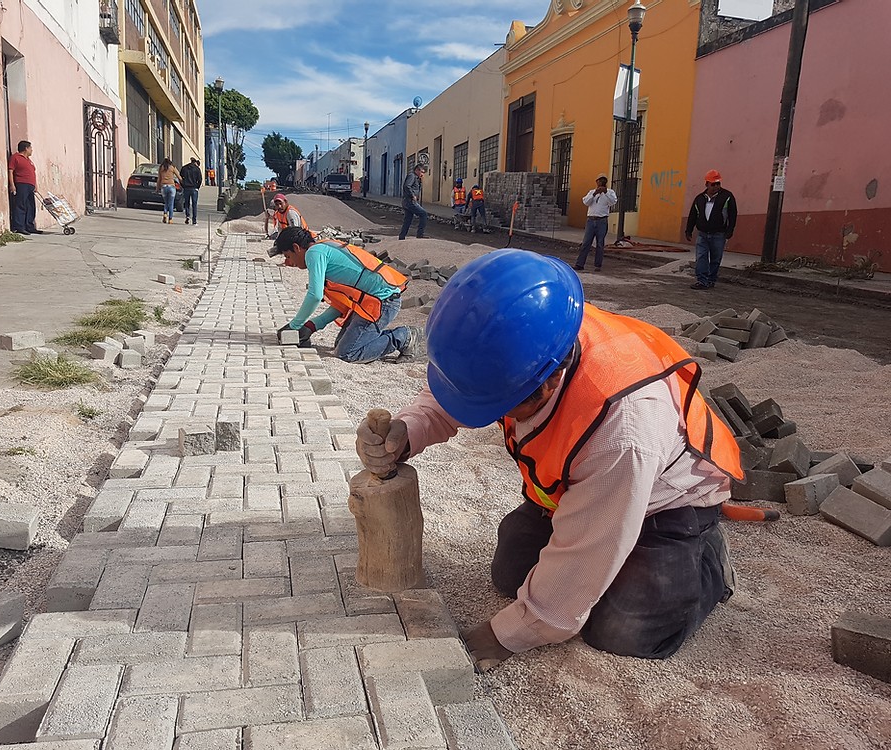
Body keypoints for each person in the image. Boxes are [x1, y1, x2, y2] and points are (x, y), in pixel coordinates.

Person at [355, 249, 743, 671]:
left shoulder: (622, 426)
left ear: (550, 377)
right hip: (576, 488)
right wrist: (408, 431)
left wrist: (507, 635)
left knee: (622, 631)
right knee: (511, 573)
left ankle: (708, 566)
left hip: (666, 502)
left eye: (502, 403)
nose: (493, 412)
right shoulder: (527, 332)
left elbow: (588, 549)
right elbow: (465, 388)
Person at [269, 226, 422, 363]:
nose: (289, 262)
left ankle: (405, 337)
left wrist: (294, 326)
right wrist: (311, 326)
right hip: (371, 302)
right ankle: (380, 337)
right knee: (341, 346)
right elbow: (342, 305)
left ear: (296, 248)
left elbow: (315, 295)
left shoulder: (313, 253)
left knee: (347, 353)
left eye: (288, 256)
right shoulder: (323, 248)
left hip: (382, 302)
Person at [686, 170, 738, 290]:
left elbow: (732, 214)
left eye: (718, 184)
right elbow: (693, 215)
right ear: (707, 184)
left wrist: (730, 230)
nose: (716, 187)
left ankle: (711, 280)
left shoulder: (727, 197)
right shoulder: (699, 199)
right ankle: (702, 281)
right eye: (713, 184)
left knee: (715, 258)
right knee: (701, 257)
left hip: (719, 234)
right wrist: (688, 230)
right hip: (702, 234)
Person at [575, 174, 617, 271]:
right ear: (596, 182)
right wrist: (594, 194)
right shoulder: (591, 192)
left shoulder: (610, 192)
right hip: (591, 220)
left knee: (600, 243)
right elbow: (586, 202)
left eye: (603, 181)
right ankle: (580, 264)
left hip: (601, 221)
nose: (601, 182)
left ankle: (598, 265)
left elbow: (613, 202)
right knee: (586, 243)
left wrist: (605, 193)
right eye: (599, 180)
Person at [8, 140, 40, 235]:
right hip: (21, 184)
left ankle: (29, 226)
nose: (32, 150)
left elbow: (33, 173)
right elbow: (11, 171)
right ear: (26, 148)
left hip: (30, 185)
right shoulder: (15, 157)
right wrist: (12, 185)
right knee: (21, 205)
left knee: (31, 206)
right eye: (30, 148)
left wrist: (35, 185)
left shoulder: (29, 160)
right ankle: (19, 226)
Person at [398, 164, 428, 240]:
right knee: (423, 214)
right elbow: (407, 186)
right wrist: (412, 195)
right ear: (417, 170)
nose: (422, 174)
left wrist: (420, 181)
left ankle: (402, 236)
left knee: (408, 219)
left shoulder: (416, 178)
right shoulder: (412, 176)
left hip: (407, 201)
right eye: (422, 172)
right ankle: (420, 234)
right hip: (410, 201)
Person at [157, 158, 181, 224]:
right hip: (171, 187)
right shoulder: (172, 167)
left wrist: (157, 188)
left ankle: (165, 214)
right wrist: (182, 182)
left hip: (164, 187)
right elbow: (179, 176)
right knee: (171, 203)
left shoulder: (161, 168)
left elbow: (159, 179)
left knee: (166, 203)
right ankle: (170, 219)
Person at [180, 157, 203, 225]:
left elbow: (180, 177)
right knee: (194, 204)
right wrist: (197, 187)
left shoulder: (184, 168)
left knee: (186, 203)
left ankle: (187, 216)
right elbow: (200, 179)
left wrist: (183, 185)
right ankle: (194, 220)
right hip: (194, 188)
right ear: (195, 163)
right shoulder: (197, 169)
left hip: (186, 188)